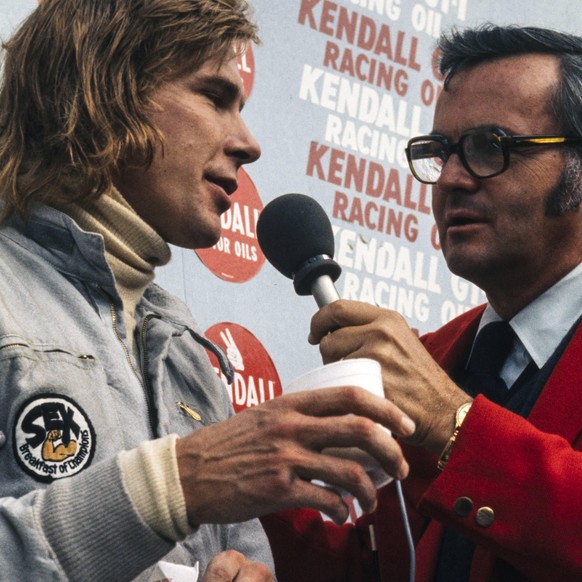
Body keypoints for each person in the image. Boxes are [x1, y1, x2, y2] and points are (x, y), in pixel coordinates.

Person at [0, 1, 416, 580]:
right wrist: (171, 487)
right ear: (103, 93)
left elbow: (242, 557)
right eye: (216, 98)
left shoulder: (189, 351)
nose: (248, 143)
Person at [260, 24, 582, 581]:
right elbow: (379, 564)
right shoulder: (431, 360)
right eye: (440, 152)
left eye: (490, 147)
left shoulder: (428, 386)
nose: (452, 179)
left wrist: (450, 421)